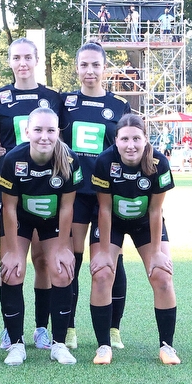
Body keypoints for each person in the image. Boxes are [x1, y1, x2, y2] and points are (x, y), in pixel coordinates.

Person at [0, 37, 67, 351]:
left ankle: (42, 328)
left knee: (43, 261)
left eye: (28, 57)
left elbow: (62, 141)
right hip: (10, 189)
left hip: (46, 188)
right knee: (11, 260)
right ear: (10, 61)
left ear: (37, 59)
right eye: (16, 57)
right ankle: (10, 327)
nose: (22, 63)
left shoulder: (53, 98)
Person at [90, 113, 179, 365]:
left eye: (136, 139)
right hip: (112, 222)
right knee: (102, 273)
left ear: (145, 139)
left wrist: (158, 253)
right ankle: (103, 346)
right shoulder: (105, 162)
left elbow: (155, 210)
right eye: (125, 139)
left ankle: (167, 346)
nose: (131, 145)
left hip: (145, 222)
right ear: (116, 140)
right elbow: (104, 210)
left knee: (162, 275)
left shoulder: (158, 162)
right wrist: (106, 252)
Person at [0, 107, 82, 365]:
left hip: (52, 221)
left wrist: (65, 246)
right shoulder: (12, 160)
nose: (44, 136)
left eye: (50, 130)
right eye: (38, 130)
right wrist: (12, 251)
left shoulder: (69, 160)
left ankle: (58, 343)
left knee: (62, 269)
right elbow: (9, 208)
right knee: (12, 270)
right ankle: (16, 343)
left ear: (58, 132)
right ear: (27, 131)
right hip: (20, 218)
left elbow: (67, 207)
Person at [61, 42, 132, 351]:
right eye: (84, 65)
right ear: (76, 68)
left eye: (95, 65)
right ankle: (68, 327)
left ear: (105, 68)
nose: (89, 70)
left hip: (107, 197)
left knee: (109, 261)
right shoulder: (64, 103)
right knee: (72, 261)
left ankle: (113, 328)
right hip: (75, 195)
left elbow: (129, 149)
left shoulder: (119, 105)